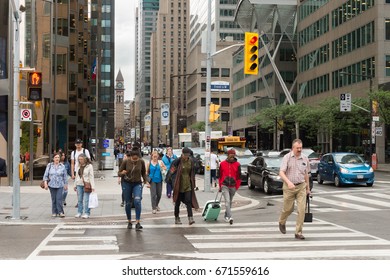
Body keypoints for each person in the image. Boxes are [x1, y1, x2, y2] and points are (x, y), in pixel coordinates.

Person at [278, 139, 311, 240]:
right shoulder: (287, 158)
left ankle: (298, 232)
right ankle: (282, 221)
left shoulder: (305, 159)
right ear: (293, 148)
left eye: (301, 148)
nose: (300, 149)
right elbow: (281, 172)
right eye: (298, 148)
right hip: (289, 187)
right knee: (288, 209)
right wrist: (288, 182)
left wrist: (308, 188)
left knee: (301, 210)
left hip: (301, 186)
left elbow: (306, 174)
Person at [118, 147, 149, 230]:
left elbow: (143, 172)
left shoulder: (141, 162)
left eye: (137, 159)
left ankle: (138, 222)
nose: (135, 160)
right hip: (127, 183)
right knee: (128, 203)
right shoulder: (125, 162)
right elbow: (119, 173)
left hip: (137, 183)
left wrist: (146, 181)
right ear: (130, 157)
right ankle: (129, 221)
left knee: (137, 201)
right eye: (133, 159)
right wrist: (122, 173)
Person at [171, 147, 199, 225]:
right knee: (177, 202)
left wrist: (193, 181)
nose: (186, 156)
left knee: (188, 201)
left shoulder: (191, 161)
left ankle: (190, 218)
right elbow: (171, 173)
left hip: (188, 184)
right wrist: (173, 184)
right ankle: (177, 218)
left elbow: (193, 171)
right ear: (182, 154)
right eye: (185, 155)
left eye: (188, 155)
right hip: (179, 184)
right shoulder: (177, 162)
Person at [218, 149, 241, 225]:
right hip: (224, 185)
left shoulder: (237, 164)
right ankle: (230, 217)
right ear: (228, 156)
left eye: (233, 156)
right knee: (227, 201)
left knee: (229, 202)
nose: (232, 158)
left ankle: (226, 215)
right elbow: (220, 175)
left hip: (233, 186)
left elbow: (239, 176)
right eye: (231, 156)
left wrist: (237, 186)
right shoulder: (222, 164)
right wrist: (220, 185)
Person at [42, 153, 68, 218]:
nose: (57, 159)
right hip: (51, 185)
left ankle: (61, 212)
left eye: (58, 157)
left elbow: (65, 176)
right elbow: (45, 175)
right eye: (56, 157)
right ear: (53, 159)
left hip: (60, 185)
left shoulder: (62, 166)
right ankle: (54, 212)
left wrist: (65, 184)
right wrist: (45, 184)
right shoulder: (49, 165)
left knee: (59, 198)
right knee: (54, 199)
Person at [74, 153, 95, 219]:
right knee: (79, 199)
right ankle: (79, 212)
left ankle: (87, 213)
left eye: (81, 159)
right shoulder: (78, 166)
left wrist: (93, 186)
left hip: (86, 184)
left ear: (85, 159)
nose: (80, 160)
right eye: (79, 159)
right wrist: (75, 185)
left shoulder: (89, 166)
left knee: (86, 200)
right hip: (79, 184)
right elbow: (76, 176)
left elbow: (91, 176)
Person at [70, 138, 90, 208]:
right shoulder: (73, 153)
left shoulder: (85, 151)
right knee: (78, 187)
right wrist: (72, 173)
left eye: (79, 144)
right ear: (75, 144)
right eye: (77, 144)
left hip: (85, 171)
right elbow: (72, 163)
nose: (78, 145)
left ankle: (85, 200)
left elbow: (89, 161)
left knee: (85, 185)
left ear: (81, 144)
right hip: (77, 171)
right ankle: (79, 201)